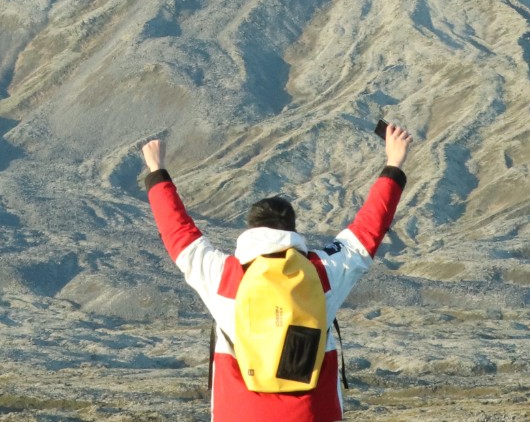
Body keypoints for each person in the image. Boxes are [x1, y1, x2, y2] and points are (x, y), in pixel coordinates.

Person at [136, 123, 411, 422]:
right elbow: (366, 232)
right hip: (314, 414)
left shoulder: (226, 277)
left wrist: (157, 171)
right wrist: (393, 164)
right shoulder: (322, 273)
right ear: (293, 230)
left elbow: (179, 233)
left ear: (250, 229)